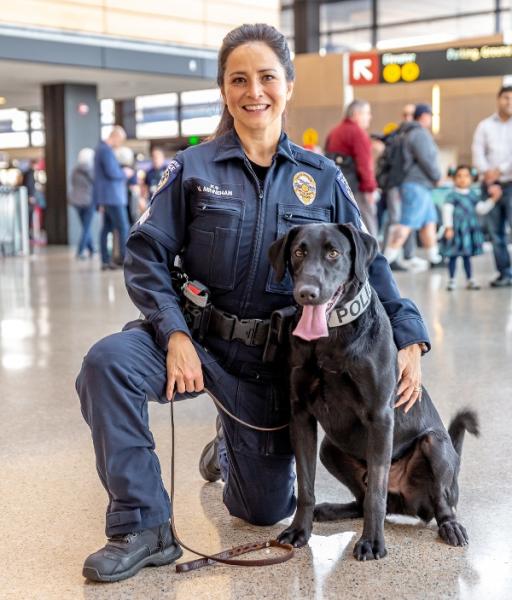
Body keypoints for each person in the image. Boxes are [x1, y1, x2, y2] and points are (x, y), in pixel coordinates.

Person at [76, 23, 430, 584]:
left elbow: (371, 264)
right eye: (238, 79)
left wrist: (410, 335)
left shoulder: (321, 177)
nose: (253, 91)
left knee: (263, 511)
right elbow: (144, 255)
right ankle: (143, 525)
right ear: (223, 90)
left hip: (271, 367)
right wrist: (173, 334)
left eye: (267, 77)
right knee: (107, 364)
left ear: (288, 85)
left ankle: (231, 443)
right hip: (189, 336)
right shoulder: (191, 169)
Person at [383, 103, 443, 268]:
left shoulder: (408, 133)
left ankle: (434, 257)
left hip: (420, 185)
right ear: (424, 116)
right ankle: (388, 259)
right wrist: (437, 176)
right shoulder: (419, 133)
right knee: (406, 222)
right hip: (416, 184)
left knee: (428, 222)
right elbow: (427, 159)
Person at [472, 85, 512, 287]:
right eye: (506, 97)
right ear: (498, 99)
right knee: (496, 233)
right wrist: (490, 177)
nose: (509, 101)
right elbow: (478, 153)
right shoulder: (485, 126)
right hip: (490, 185)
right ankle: (505, 273)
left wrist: (500, 169)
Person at [440, 165, 502, 291]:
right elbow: (447, 211)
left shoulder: (473, 195)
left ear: (471, 178)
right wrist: (448, 227)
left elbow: (481, 209)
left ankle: (470, 279)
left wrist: (492, 200)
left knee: (467, 256)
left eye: (466, 176)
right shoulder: (452, 196)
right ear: (454, 178)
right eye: (459, 176)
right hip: (456, 230)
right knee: (453, 256)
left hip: (468, 231)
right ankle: (452, 279)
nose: (463, 179)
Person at [325, 100, 379, 237]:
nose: (370, 117)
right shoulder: (358, 133)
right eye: (367, 113)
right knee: (367, 223)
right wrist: (370, 189)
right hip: (357, 189)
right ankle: (373, 256)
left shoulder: (333, 132)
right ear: (356, 114)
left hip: (335, 187)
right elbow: (365, 164)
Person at [93, 125, 130, 270]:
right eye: (120, 141)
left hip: (106, 197)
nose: (119, 145)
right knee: (123, 227)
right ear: (115, 137)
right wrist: (124, 173)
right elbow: (112, 172)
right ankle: (123, 259)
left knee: (107, 228)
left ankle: (105, 260)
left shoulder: (100, 149)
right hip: (113, 197)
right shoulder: (105, 150)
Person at [68, 148, 95, 259]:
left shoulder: (75, 170)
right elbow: (95, 182)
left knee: (85, 226)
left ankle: (92, 249)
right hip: (88, 201)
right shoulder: (91, 170)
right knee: (86, 227)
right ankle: (80, 251)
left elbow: (72, 183)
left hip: (76, 201)